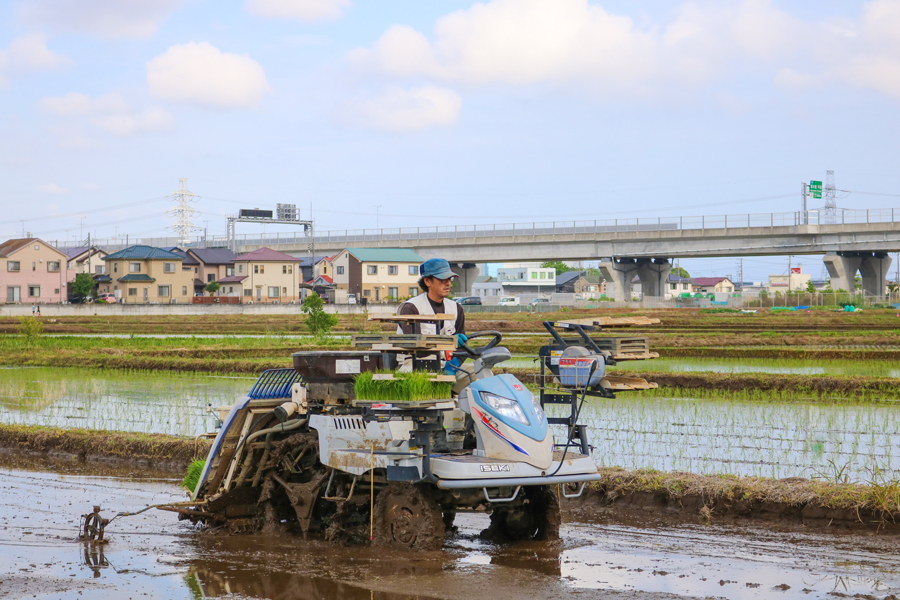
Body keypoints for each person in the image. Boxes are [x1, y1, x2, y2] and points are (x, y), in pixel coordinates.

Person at [397, 258, 465, 338]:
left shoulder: (456, 308)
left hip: (448, 351)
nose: (448, 283)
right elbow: (415, 345)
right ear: (427, 281)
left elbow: (462, 347)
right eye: (443, 279)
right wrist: (448, 342)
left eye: (450, 279)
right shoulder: (411, 308)